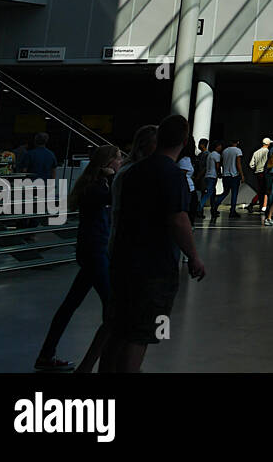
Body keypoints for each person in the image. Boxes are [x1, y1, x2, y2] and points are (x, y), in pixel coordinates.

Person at [101, 115, 204, 373]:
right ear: (184, 140)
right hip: (153, 265)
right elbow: (178, 219)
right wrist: (193, 256)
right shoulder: (172, 174)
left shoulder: (132, 171)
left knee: (119, 326)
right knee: (141, 333)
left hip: (123, 259)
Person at [34, 143, 123, 372]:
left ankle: (47, 354)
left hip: (92, 250)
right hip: (95, 251)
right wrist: (112, 178)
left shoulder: (93, 184)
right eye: (118, 158)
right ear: (108, 163)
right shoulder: (97, 187)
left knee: (70, 304)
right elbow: (115, 198)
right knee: (112, 306)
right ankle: (107, 361)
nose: (120, 162)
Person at [217, 138, 244, 218]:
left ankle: (215, 205)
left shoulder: (225, 151)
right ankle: (232, 211)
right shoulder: (238, 151)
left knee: (225, 192)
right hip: (234, 175)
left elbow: (222, 163)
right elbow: (238, 163)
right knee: (234, 194)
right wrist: (242, 174)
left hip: (226, 175)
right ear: (238, 142)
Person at [199, 140, 222, 221]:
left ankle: (213, 210)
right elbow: (217, 166)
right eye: (220, 146)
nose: (221, 147)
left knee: (212, 194)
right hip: (213, 176)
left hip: (207, 176)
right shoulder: (217, 155)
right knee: (208, 194)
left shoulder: (210, 154)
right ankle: (199, 208)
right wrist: (219, 174)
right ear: (217, 147)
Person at [249, 138, 272, 215]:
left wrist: (256, 167)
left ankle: (260, 205)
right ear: (268, 144)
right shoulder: (268, 152)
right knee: (265, 191)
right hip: (265, 172)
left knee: (261, 190)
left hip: (258, 172)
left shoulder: (256, 152)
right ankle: (254, 204)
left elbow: (251, 165)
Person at [177, 137, 197, 224]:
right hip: (188, 188)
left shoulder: (181, 158)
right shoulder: (185, 160)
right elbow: (182, 176)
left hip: (188, 188)